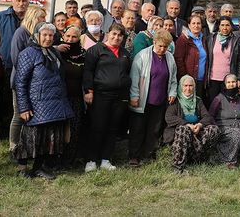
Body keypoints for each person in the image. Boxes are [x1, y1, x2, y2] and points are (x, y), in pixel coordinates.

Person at [14, 23, 73, 179]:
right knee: (30, 137)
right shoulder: (28, 53)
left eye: (51, 36)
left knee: (48, 138)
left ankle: (39, 167)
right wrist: (24, 107)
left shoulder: (54, 53)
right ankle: (22, 168)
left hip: (54, 102)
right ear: (37, 35)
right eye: (44, 35)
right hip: (36, 103)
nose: (48, 38)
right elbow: (20, 82)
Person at [83, 23, 132, 172]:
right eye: (114, 34)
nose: (116, 37)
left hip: (120, 97)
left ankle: (106, 159)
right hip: (100, 95)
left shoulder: (125, 53)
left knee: (113, 128)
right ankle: (91, 160)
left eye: (120, 35)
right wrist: (88, 91)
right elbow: (88, 71)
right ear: (108, 34)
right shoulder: (96, 50)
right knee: (98, 127)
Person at [128, 30, 178, 166]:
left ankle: (149, 154)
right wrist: (134, 95)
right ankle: (134, 156)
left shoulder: (170, 58)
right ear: (154, 42)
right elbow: (134, 78)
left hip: (160, 100)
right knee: (138, 129)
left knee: (154, 130)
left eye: (165, 47)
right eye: (160, 46)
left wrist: (173, 92)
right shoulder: (142, 56)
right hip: (143, 99)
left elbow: (173, 78)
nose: (162, 49)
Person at [9, 5, 47, 152]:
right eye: (41, 17)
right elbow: (15, 59)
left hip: (35, 82)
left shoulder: (37, 33)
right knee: (19, 114)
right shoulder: (21, 33)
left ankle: (26, 145)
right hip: (21, 81)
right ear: (33, 17)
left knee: (29, 114)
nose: (44, 20)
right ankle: (14, 146)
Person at [163, 76, 219, 171]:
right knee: (183, 129)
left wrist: (199, 125)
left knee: (214, 129)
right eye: (185, 85)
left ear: (194, 87)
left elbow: (207, 117)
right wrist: (187, 124)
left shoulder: (198, 100)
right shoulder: (175, 101)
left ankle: (201, 159)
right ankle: (178, 165)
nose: (188, 89)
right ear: (181, 86)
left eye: (191, 86)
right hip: (181, 135)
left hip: (196, 132)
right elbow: (169, 117)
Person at [209, 74, 240, 169]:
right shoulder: (218, 98)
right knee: (237, 133)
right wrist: (215, 127)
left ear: (237, 83)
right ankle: (229, 161)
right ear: (225, 84)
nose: (231, 84)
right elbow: (211, 115)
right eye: (228, 82)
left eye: (233, 82)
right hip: (224, 128)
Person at [58, 25, 87, 167]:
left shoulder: (84, 54)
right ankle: (55, 160)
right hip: (58, 98)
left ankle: (69, 160)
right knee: (59, 130)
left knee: (74, 130)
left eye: (74, 37)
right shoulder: (56, 52)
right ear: (63, 37)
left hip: (76, 98)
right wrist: (56, 50)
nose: (70, 39)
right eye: (68, 36)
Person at [206, 16, 240, 105]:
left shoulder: (236, 40)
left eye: (227, 25)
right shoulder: (211, 39)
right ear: (219, 26)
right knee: (213, 104)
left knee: (228, 104)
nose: (225, 28)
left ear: (231, 26)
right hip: (213, 79)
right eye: (222, 25)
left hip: (229, 80)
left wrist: (239, 79)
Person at [0, 0, 29, 73]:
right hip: (3, 64)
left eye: (24, 1)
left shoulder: (32, 20)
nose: (21, 4)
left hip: (26, 65)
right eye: (18, 1)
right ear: (13, 2)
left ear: (28, 3)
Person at [174, 15, 209, 100]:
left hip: (201, 80)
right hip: (188, 81)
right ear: (189, 25)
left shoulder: (204, 39)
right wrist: (184, 77)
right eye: (193, 23)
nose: (196, 26)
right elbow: (178, 60)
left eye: (198, 23)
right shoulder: (183, 39)